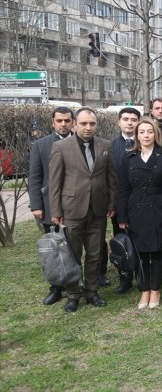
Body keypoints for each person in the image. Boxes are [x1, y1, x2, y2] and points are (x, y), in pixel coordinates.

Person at [49, 108, 117, 312]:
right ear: (75, 124)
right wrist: (56, 210)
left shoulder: (105, 145)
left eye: (92, 124)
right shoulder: (60, 147)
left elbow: (111, 178)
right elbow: (55, 182)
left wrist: (112, 204)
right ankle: (73, 294)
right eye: (84, 123)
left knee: (95, 254)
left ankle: (92, 291)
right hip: (72, 209)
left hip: (98, 210)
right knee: (73, 254)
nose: (88, 128)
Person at [117, 118, 162, 309]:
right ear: (136, 135)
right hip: (136, 209)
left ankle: (156, 290)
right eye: (141, 132)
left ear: (156, 134)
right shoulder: (128, 158)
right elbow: (123, 189)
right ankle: (144, 290)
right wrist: (122, 216)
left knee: (157, 252)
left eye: (149, 132)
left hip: (158, 207)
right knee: (140, 252)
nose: (146, 135)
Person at [28, 106, 73, 306]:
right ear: (52, 122)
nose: (63, 124)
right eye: (59, 121)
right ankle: (56, 288)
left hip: (75, 205)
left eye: (67, 120)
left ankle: (75, 283)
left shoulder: (81, 142)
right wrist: (37, 205)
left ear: (72, 121)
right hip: (49, 206)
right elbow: (35, 176)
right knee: (53, 249)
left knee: (74, 247)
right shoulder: (41, 145)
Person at [107, 107, 141, 295]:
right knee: (121, 241)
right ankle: (125, 277)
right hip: (120, 203)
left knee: (140, 240)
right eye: (125, 119)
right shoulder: (110, 146)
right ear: (119, 122)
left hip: (142, 203)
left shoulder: (146, 141)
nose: (129, 122)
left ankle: (141, 275)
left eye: (133, 119)